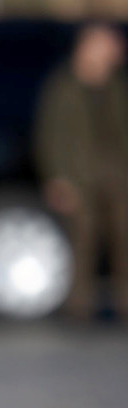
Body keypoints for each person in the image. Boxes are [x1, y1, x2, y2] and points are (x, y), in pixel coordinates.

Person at [34, 21, 128, 321]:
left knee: (123, 236)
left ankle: (124, 301)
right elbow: (49, 135)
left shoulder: (117, 85)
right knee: (82, 238)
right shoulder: (64, 85)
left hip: (117, 170)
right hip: (79, 171)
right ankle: (78, 305)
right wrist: (56, 177)